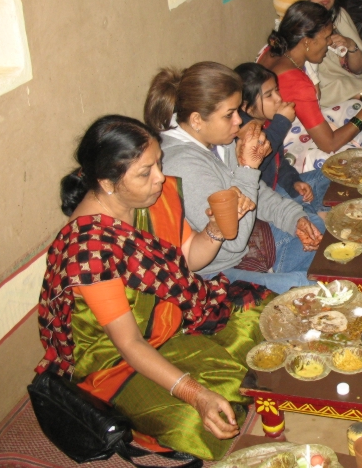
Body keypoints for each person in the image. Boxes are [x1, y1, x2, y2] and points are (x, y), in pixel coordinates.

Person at [36, 115, 272, 460]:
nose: (161, 178)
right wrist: (195, 395)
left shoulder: (151, 198)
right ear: (108, 183)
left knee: (268, 317)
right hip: (117, 359)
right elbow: (129, 343)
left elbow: (189, 259)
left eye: (159, 163)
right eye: (146, 172)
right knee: (199, 419)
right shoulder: (89, 250)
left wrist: (218, 227)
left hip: (170, 323)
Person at [144, 62, 323, 293]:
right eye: (229, 115)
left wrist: (294, 220)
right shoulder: (182, 165)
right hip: (216, 270)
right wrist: (248, 168)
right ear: (197, 120)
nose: (239, 121)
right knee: (311, 286)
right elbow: (233, 239)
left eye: (237, 110)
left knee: (323, 244)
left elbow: (257, 191)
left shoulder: (218, 140)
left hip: (250, 241)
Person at [258, 0, 362, 171]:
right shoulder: (295, 81)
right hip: (281, 152)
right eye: (326, 38)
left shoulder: (272, 50)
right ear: (306, 42)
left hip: (274, 132)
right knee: (356, 161)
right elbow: (329, 144)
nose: (330, 43)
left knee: (352, 107)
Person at [234, 61, 330, 216]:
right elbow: (259, 160)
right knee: (312, 226)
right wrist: (282, 122)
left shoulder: (267, 122)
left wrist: (294, 182)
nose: (278, 98)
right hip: (262, 201)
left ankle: (318, 212)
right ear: (246, 107)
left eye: (276, 90)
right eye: (269, 95)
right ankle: (314, 215)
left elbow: (279, 163)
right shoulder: (242, 132)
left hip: (279, 186)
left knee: (329, 176)